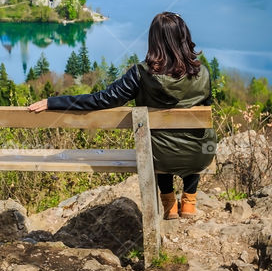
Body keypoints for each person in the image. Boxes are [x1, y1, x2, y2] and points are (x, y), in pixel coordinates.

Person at [28, 11, 216, 219]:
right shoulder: (203, 74)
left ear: (154, 40)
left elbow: (101, 100)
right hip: (199, 156)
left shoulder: (141, 74)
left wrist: (54, 102)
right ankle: (189, 202)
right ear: (184, 37)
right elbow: (203, 117)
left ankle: (169, 203)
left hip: (158, 157)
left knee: (161, 144)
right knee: (192, 138)